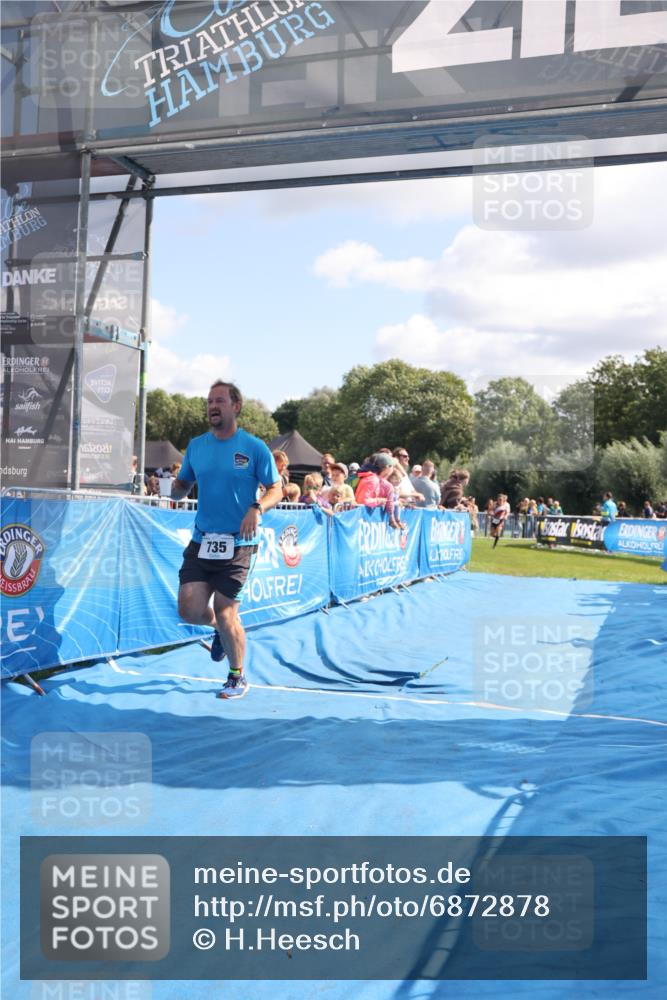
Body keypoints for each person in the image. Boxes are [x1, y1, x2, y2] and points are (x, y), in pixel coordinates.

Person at [171, 380, 282, 700]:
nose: (212, 406)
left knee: (225, 610)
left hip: (239, 542)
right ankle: (221, 631)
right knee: (189, 611)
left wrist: (257, 507)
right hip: (202, 539)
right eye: (209, 401)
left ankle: (237, 676)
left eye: (219, 400)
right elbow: (182, 485)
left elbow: (276, 488)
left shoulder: (254, 447)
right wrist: (175, 489)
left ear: (236, 406)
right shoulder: (196, 446)